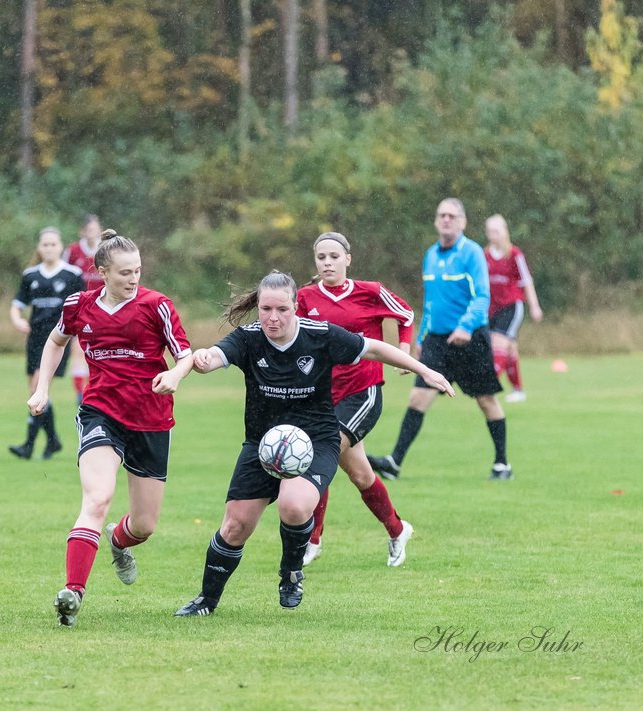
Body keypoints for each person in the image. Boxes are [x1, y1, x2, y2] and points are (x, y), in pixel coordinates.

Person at [174, 271, 452, 618]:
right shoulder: (248, 338)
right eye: (265, 309)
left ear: (296, 307)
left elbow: (375, 348)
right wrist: (199, 362)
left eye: (282, 309)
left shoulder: (320, 336)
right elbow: (213, 357)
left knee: (294, 505)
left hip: (314, 442)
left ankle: (291, 574)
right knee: (234, 525)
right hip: (262, 444)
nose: (272, 318)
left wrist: (425, 369)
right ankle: (206, 600)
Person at [28, 229, 194, 628]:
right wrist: (42, 389)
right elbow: (55, 342)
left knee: (144, 525)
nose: (133, 278)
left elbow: (185, 354)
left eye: (137, 270)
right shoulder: (79, 306)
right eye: (124, 273)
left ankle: (119, 542)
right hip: (101, 411)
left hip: (152, 419)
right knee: (98, 499)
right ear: (103, 272)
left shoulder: (157, 306)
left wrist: (175, 375)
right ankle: (73, 593)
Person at [368, 198, 513, 481]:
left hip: (471, 339)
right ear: (436, 221)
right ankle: (394, 462)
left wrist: (465, 327)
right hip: (436, 340)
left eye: (452, 216)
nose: (446, 220)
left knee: (486, 400)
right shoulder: (431, 255)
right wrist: (421, 337)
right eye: (441, 215)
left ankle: (502, 464)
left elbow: (482, 296)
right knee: (418, 396)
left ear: (462, 222)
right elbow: (431, 303)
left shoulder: (471, 253)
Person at [295, 232, 417, 568]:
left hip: (362, 392)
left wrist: (403, 352)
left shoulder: (371, 292)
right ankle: (397, 529)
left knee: (321, 453)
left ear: (348, 258)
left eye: (334, 256)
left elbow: (405, 315)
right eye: (321, 257)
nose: (328, 263)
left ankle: (312, 539)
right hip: (322, 397)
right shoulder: (305, 298)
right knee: (361, 475)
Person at [9, 227, 86, 460]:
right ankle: (51, 441)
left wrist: (80, 340)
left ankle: (31, 444)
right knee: (35, 391)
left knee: (37, 389)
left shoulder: (72, 275)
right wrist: (17, 319)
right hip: (34, 340)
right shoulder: (30, 275)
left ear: (61, 246)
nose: (49, 248)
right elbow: (17, 305)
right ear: (39, 248)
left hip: (58, 341)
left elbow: (84, 309)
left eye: (53, 244)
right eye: (45, 244)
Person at [484, 214, 543, 403]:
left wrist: (534, 306)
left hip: (511, 306)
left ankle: (488, 387)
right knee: (510, 350)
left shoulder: (514, 254)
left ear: (504, 232)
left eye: (496, 231)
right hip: (491, 308)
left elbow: (526, 282)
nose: (493, 235)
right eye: (490, 231)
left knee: (498, 343)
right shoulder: (484, 255)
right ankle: (518, 391)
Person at [64, 215, 105, 404]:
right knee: (78, 349)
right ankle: (81, 392)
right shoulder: (73, 251)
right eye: (88, 230)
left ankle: (96, 388)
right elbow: (65, 278)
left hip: (104, 307)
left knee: (101, 349)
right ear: (83, 232)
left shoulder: (106, 251)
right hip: (81, 307)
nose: (92, 233)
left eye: (95, 230)